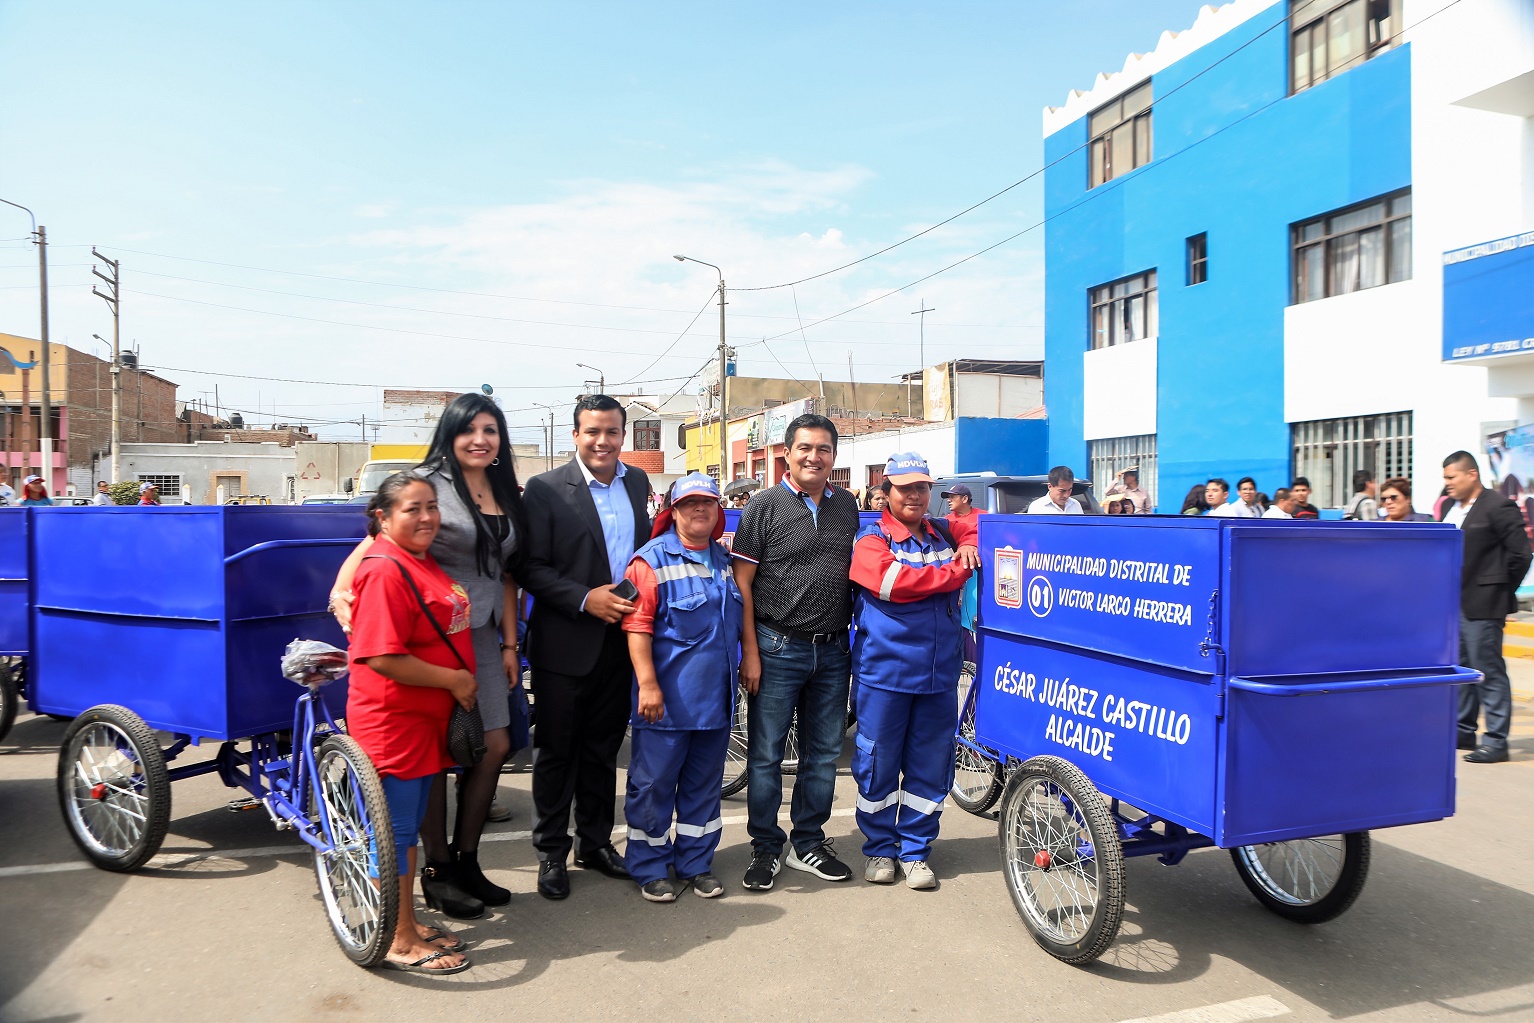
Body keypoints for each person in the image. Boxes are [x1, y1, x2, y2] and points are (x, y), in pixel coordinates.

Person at [332, 392, 530, 917]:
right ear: (451, 433)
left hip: (482, 636)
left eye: (491, 430)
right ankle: (437, 869)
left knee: (494, 744)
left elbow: (506, 573)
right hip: (432, 636)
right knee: (434, 756)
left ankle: (467, 859)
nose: (481, 440)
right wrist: (342, 587)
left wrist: (511, 643)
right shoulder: (430, 485)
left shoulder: (503, 486)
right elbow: (377, 540)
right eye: (470, 430)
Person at [520, 394, 652, 899]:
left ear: (623, 435)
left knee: (602, 752)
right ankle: (551, 853)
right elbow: (529, 567)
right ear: (575, 436)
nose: (603, 441)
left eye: (612, 432)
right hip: (565, 643)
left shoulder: (636, 481)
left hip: (621, 642)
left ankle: (594, 843)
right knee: (557, 753)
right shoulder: (547, 489)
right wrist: (583, 599)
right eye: (592, 432)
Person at [346, 472, 477, 975]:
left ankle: (404, 919)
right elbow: (380, 655)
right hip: (394, 719)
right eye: (412, 509)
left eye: (431, 506)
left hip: (425, 719)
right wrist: (455, 680)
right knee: (397, 831)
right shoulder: (383, 569)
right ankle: (398, 938)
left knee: (410, 825)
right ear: (383, 517)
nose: (426, 517)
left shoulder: (415, 558)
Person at [732, 413, 860, 891]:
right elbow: (742, 583)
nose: (814, 457)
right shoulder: (763, 506)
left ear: (833, 456)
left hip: (832, 652)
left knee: (823, 755)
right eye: (805, 448)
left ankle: (808, 842)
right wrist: (751, 652)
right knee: (765, 756)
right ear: (787, 453)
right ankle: (766, 847)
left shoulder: (846, 505)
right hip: (775, 646)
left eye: (823, 449)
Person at [849, 453, 978, 890]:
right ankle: (880, 851)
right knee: (878, 766)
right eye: (905, 488)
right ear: (886, 493)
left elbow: (981, 525)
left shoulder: (944, 530)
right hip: (884, 675)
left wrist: (970, 540)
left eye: (922, 487)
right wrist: (958, 569)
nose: (916, 495)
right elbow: (894, 584)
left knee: (930, 766)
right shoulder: (872, 539)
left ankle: (916, 851)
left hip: (939, 676)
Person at [621, 472, 742, 902]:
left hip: (714, 703)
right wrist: (648, 685)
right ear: (673, 511)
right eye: (689, 503)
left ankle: (695, 863)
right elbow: (636, 626)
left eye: (707, 503)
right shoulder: (649, 561)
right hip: (666, 704)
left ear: (718, 511)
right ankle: (650, 865)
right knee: (653, 787)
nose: (699, 510)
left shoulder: (726, 562)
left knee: (703, 787)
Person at [1441, 451, 1531, 764]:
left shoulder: (1497, 505)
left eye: (1452, 477)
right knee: (1462, 671)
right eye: (1445, 478)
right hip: (1455, 605)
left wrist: (1500, 589)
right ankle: (1464, 730)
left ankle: (1496, 740)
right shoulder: (1453, 509)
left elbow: (1521, 554)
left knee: (1488, 671)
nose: (1447, 484)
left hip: (1484, 605)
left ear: (1471, 474)